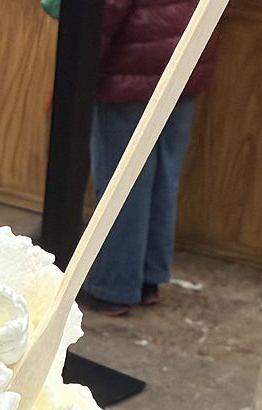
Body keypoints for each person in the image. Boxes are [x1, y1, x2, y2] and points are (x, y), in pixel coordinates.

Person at [81, 0, 217, 316]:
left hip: (130, 64)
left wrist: (82, 71)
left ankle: (111, 287)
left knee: (121, 182)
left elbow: (106, 10)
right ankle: (146, 279)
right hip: (188, 58)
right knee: (163, 178)